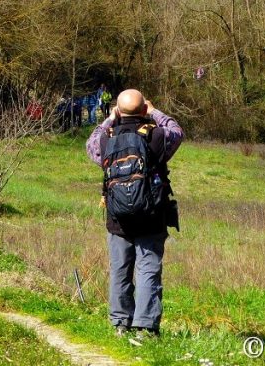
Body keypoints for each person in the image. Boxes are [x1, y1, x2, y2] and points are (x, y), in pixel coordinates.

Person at [86, 89, 183, 342]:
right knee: (148, 268)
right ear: (143, 110)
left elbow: (91, 145)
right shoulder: (157, 136)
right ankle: (146, 328)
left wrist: (110, 119)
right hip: (151, 215)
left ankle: (120, 323)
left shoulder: (106, 139)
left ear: (118, 110)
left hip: (117, 217)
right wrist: (154, 112)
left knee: (120, 268)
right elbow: (177, 131)